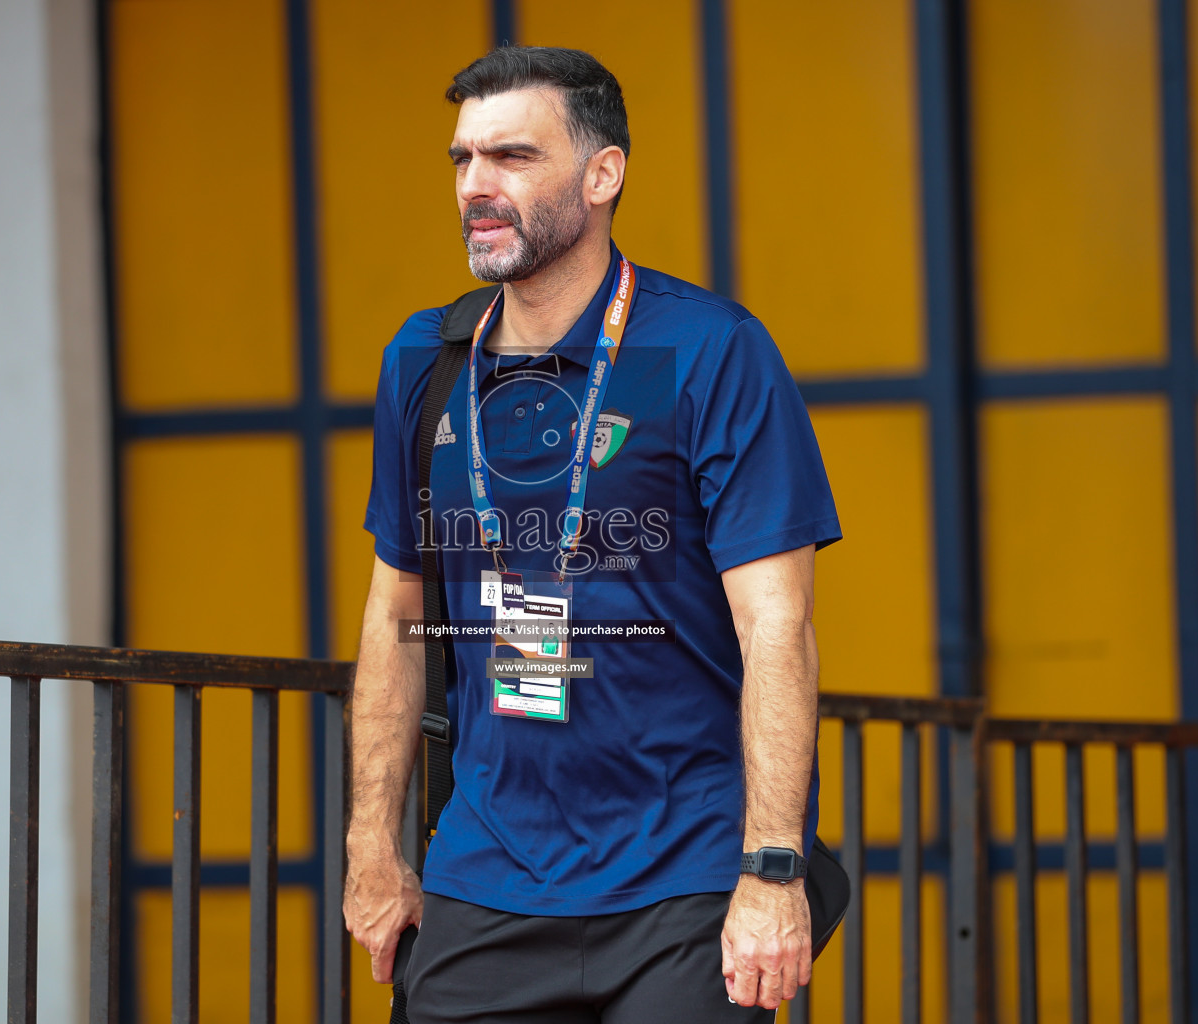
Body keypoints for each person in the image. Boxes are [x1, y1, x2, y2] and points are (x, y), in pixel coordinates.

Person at [345, 46, 842, 1022]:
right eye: (462, 160)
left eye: (513, 158)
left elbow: (776, 625)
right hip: (485, 875)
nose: (477, 187)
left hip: (683, 880)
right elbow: (393, 607)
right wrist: (373, 844)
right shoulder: (425, 362)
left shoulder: (707, 351)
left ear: (602, 174)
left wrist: (773, 871)